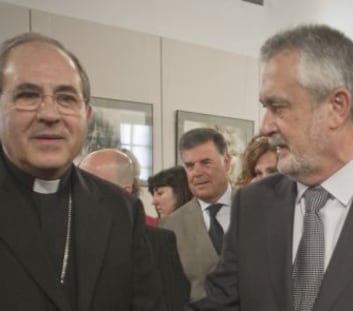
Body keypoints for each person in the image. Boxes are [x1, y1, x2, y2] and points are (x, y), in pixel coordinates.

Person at [188, 24, 353, 311]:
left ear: (337, 107)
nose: (265, 126)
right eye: (265, 108)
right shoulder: (252, 204)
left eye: (278, 107)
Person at [0, 32, 163, 311]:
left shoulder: (121, 210)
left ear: (86, 117)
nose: (50, 114)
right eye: (28, 95)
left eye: (66, 98)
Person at [79, 148, 190, 311]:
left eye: (90, 186)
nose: (80, 195)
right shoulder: (66, 238)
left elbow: (174, 303)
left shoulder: (158, 243)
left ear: (124, 192)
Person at [160, 128, 233, 301]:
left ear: (227, 162)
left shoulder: (256, 210)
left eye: (206, 162)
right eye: (190, 166)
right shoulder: (170, 227)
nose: (197, 172)